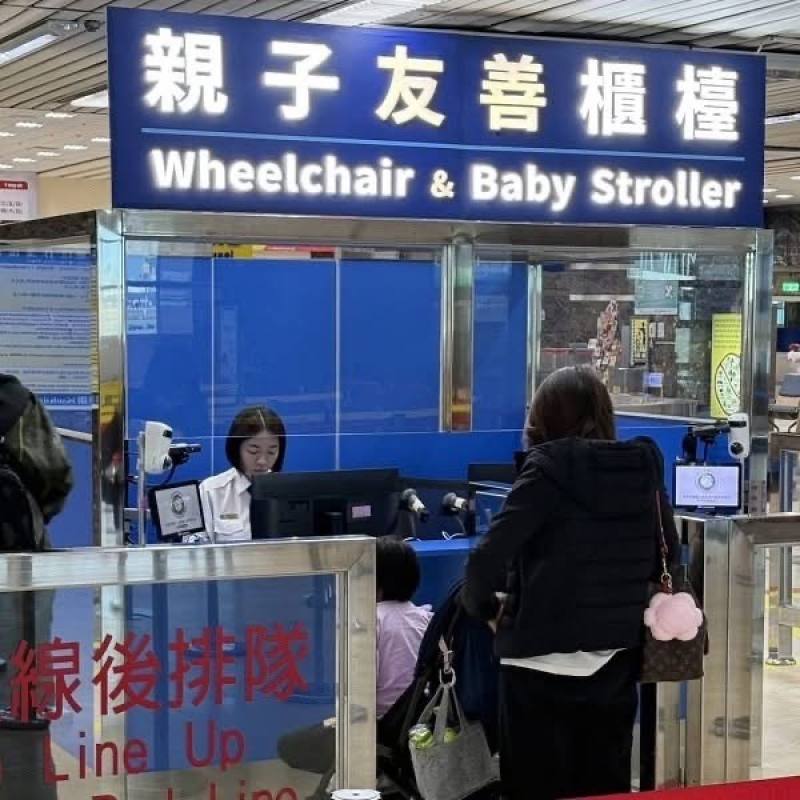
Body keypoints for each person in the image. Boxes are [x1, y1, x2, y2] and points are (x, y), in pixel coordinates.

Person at [462, 366, 680, 800]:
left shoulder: (546, 470)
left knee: (534, 786)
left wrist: (488, 611)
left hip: (535, 666)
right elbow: (668, 555)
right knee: (604, 786)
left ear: (542, 417)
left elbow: (485, 562)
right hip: (615, 660)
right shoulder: (641, 470)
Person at [278, 537, 432, 788]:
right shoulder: (427, 619)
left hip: (376, 728)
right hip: (420, 725)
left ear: (373, 579)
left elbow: (359, 694)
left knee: (288, 745)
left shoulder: (368, 622)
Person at [199, 405, 286, 541]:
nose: (262, 461)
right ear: (236, 448)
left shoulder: (287, 492)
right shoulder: (211, 491)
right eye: (253, 451)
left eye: (271, 452)